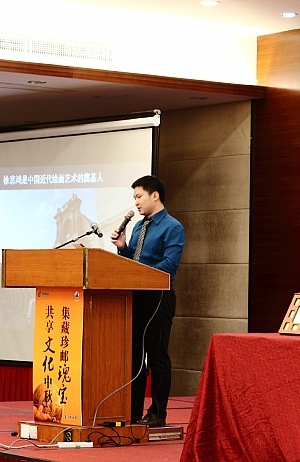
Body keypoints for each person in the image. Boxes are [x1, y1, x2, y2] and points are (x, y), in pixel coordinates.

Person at [110, 175, 185, 428]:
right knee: (134, 356)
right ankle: (131, 411)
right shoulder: (138, 227)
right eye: (134, 197)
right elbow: (134, 260)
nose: (136, 202)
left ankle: (157, 413)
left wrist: (140, 274)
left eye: (139, 196)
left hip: (159, 297)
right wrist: (123, 248)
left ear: (155, 195)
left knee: (156, 355)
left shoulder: (172, 227)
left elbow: (169, 264)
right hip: (137, 295)